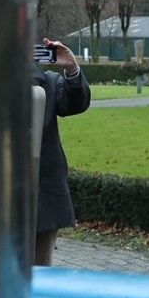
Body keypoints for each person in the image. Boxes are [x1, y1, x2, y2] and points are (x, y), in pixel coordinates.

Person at [33, 37, 90, 266]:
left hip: (42, 194)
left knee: (39, 268)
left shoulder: (47, 82)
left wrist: (72, 68)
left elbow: (75, 103)